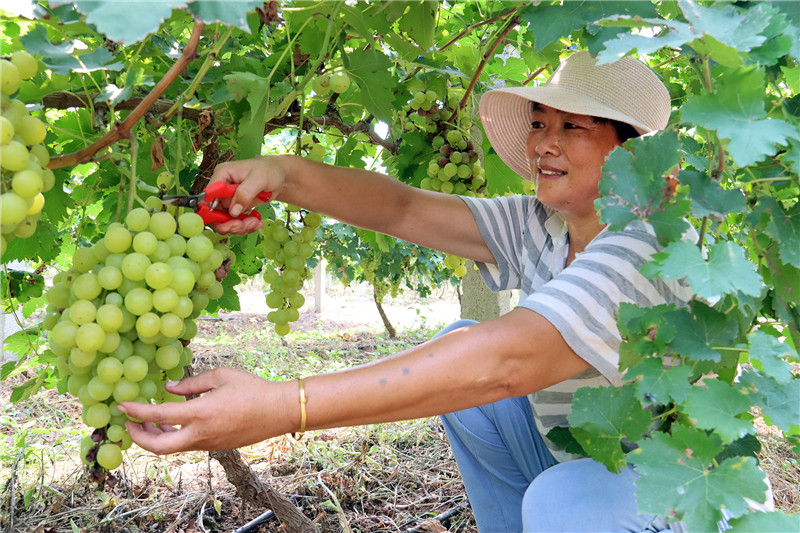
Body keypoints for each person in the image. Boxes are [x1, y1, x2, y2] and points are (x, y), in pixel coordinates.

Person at [119, 51, 697, 531]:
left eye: (573, 126)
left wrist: (282, 406)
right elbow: (404, 207)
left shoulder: (649, 240)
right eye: (541, 122)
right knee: (468, 358)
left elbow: (507, 362)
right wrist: (283, 176)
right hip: (585, 450)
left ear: (632, 152)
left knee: (561, 494)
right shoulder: (542, 224)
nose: (545, 142)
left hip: (679, 487)